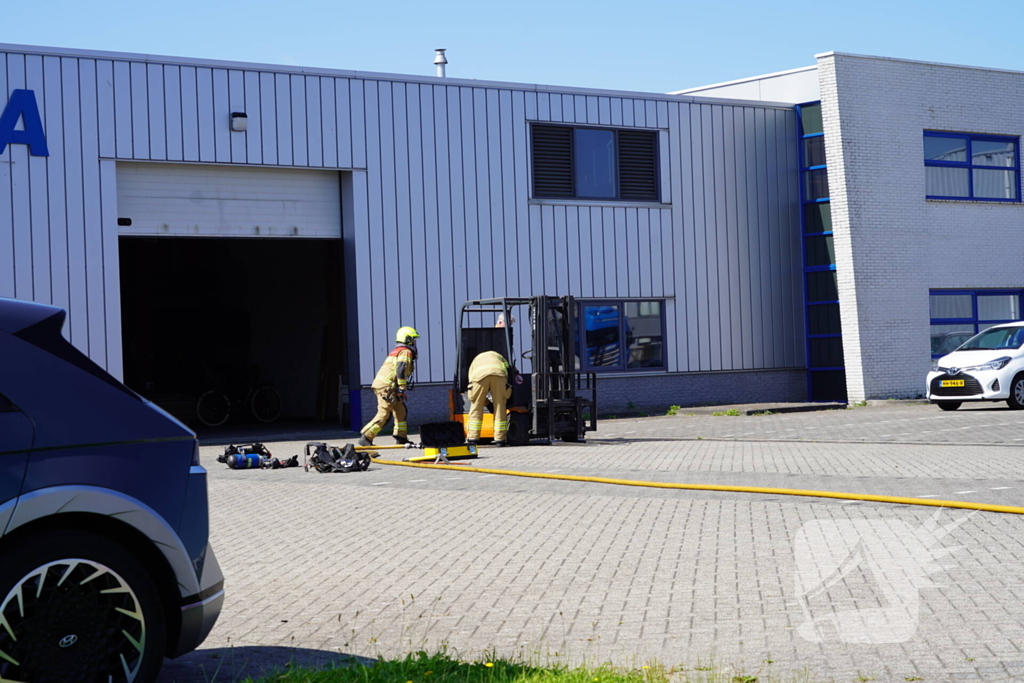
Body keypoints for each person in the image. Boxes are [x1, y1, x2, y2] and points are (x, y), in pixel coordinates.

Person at [358, 326, 419, 447]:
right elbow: (401, 370)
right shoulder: (405, 352)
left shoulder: (399, 351)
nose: (415, 342)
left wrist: (397, 390)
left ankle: (401, 437)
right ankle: (366, 437)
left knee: (400, 411)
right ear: (407, 339)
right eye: (413, 339)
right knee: (384, 414)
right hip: (386, 387)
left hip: (388, 386)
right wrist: (402, 388)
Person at [466, 350, 511, 447]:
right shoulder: (500, 356)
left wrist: (485, 402)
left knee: (476, 405)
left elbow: (471, 377)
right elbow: (509, 369)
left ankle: (473, 438)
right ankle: (500, 439)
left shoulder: (476, 359)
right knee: (500, 406)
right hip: (499, 376)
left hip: (479, 376)